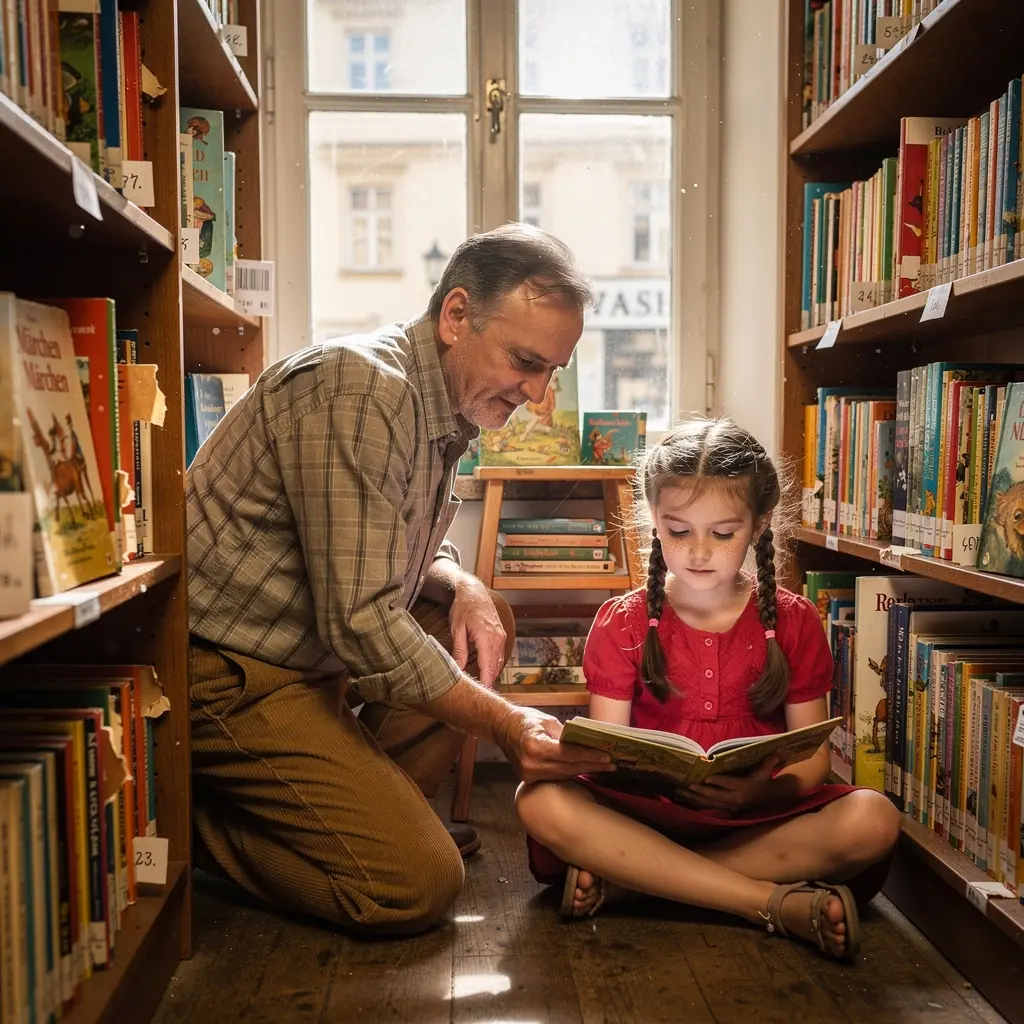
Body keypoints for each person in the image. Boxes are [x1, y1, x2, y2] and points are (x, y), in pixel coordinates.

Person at [185, 224, 611, 936]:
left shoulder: (436, 401)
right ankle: (191, 818)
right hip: (232, 673)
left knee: (484, 615)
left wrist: (459, 581)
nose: (537, 393)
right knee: (415, 885)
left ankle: (365, 819)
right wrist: (507, 726)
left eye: (552, 373)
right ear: (455, 316)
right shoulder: (359, 389)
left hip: (307, 661)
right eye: (526, 361)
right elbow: (362, 621)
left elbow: (383, 538)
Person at [515, 417, 902, 960]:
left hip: (756, 819)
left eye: (723, 534)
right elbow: (605, 749)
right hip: (644, 815)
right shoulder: (622, 622)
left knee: (875, 819)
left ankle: (636, 881)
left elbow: (812, 760)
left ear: (760, 524)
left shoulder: (793, 622)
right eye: (678, 531)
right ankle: (767, 901)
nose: (699, 551)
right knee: (539, 802)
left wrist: (759, 792)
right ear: (653, 519)